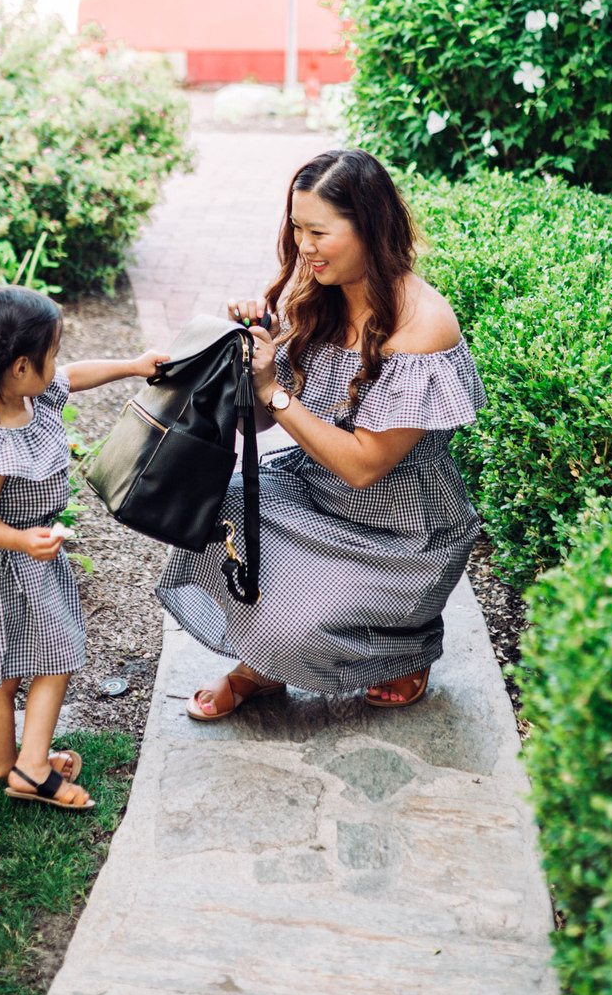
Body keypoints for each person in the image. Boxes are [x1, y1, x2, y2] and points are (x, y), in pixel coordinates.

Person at [156, 148, 487, 719]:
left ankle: (401, 646)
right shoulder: (317, 293)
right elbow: (261, 422)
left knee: (301, 623)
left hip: (400, 536)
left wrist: (273, 391)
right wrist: (251, 352)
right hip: (317, 493)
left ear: (370, 230)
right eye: (296, 228)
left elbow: (362, 467)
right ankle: (265, 661)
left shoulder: (422, 324)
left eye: (318, 232)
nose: (302, 248)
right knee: (214, 509)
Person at [0, 285, 167, 808]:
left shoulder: (31, 393)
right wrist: (22, 538)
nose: (59, 365)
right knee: (41, 664)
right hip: (1, 563)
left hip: (29, 559)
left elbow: (76, 376)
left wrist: (133, 365)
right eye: (50, 355)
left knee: (9, 670)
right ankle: (30, 770)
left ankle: (9, 768)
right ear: (17, 367)